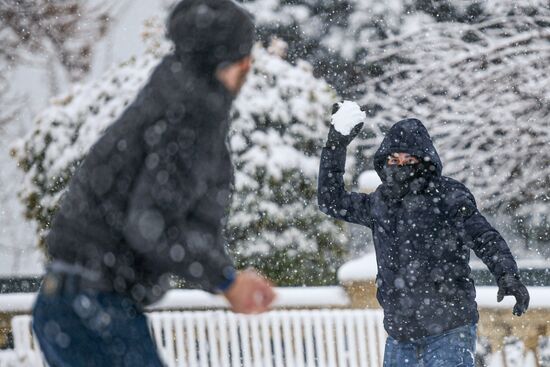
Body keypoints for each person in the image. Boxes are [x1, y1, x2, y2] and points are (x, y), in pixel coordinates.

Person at [32, 1, 275, 366]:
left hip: (62, 302)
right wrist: (226, 281)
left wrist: (225, 275)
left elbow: (167, 213)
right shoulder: (193, 112)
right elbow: (150, 224)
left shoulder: (167, 93)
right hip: (96, 306)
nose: (248, 66)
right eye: (245, 55)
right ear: (233, 61)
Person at [318, 103, 530, 367]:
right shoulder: (380, 203)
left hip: (449, 330)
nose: (400, 166)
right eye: (394, 160)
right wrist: (336, 144)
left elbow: (484, 236)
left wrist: (507, 274)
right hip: (400, 334)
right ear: (384, 163)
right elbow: (331, 200)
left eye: (409, 160)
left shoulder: (448, 197)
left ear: (424, 161)